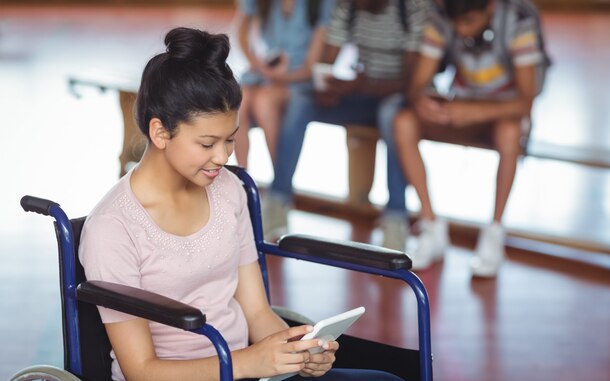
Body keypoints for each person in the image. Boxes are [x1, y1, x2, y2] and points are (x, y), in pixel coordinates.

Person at [78, 27, 424, 381]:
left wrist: (298, 353)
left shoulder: (228, 191)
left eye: (230, 139)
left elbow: (257, 312)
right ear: (160, 131)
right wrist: (249, 362)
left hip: (246, 374)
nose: (223, 157)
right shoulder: (114, 228)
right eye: (208, 144)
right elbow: (142, 375)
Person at [393, 0, 549, 276]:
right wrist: (421, 99)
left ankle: (494, 232)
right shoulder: (442, 14)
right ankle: (431, 225)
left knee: (510, 133)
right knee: (403, 122)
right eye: (458, 24)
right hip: (461, 103)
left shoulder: (519, 18)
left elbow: (526, 101)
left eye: (470, 22)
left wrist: (477, 112)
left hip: (502, 110)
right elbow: (417, 84)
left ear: (490, 7)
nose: (463, 30)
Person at [262, 0, 430, 252]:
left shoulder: (412, 7)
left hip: (396, 98)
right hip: (360, 95)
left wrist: (358, 86)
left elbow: (410, 82)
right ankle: (277, 201)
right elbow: (327, 62)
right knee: (300, 100)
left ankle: (396, 218)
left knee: (391, 116)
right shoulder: (348, 6)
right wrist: (327, 86)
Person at [234, 0, 334, 169]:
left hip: (300, 78)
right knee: (238, 102)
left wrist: (279, 76)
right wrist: (257, 64)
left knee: (264, 103)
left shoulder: (320, 4)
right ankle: (242, 178)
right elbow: (241, 30)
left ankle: (280, 181)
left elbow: (310, 68)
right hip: (269, 73)